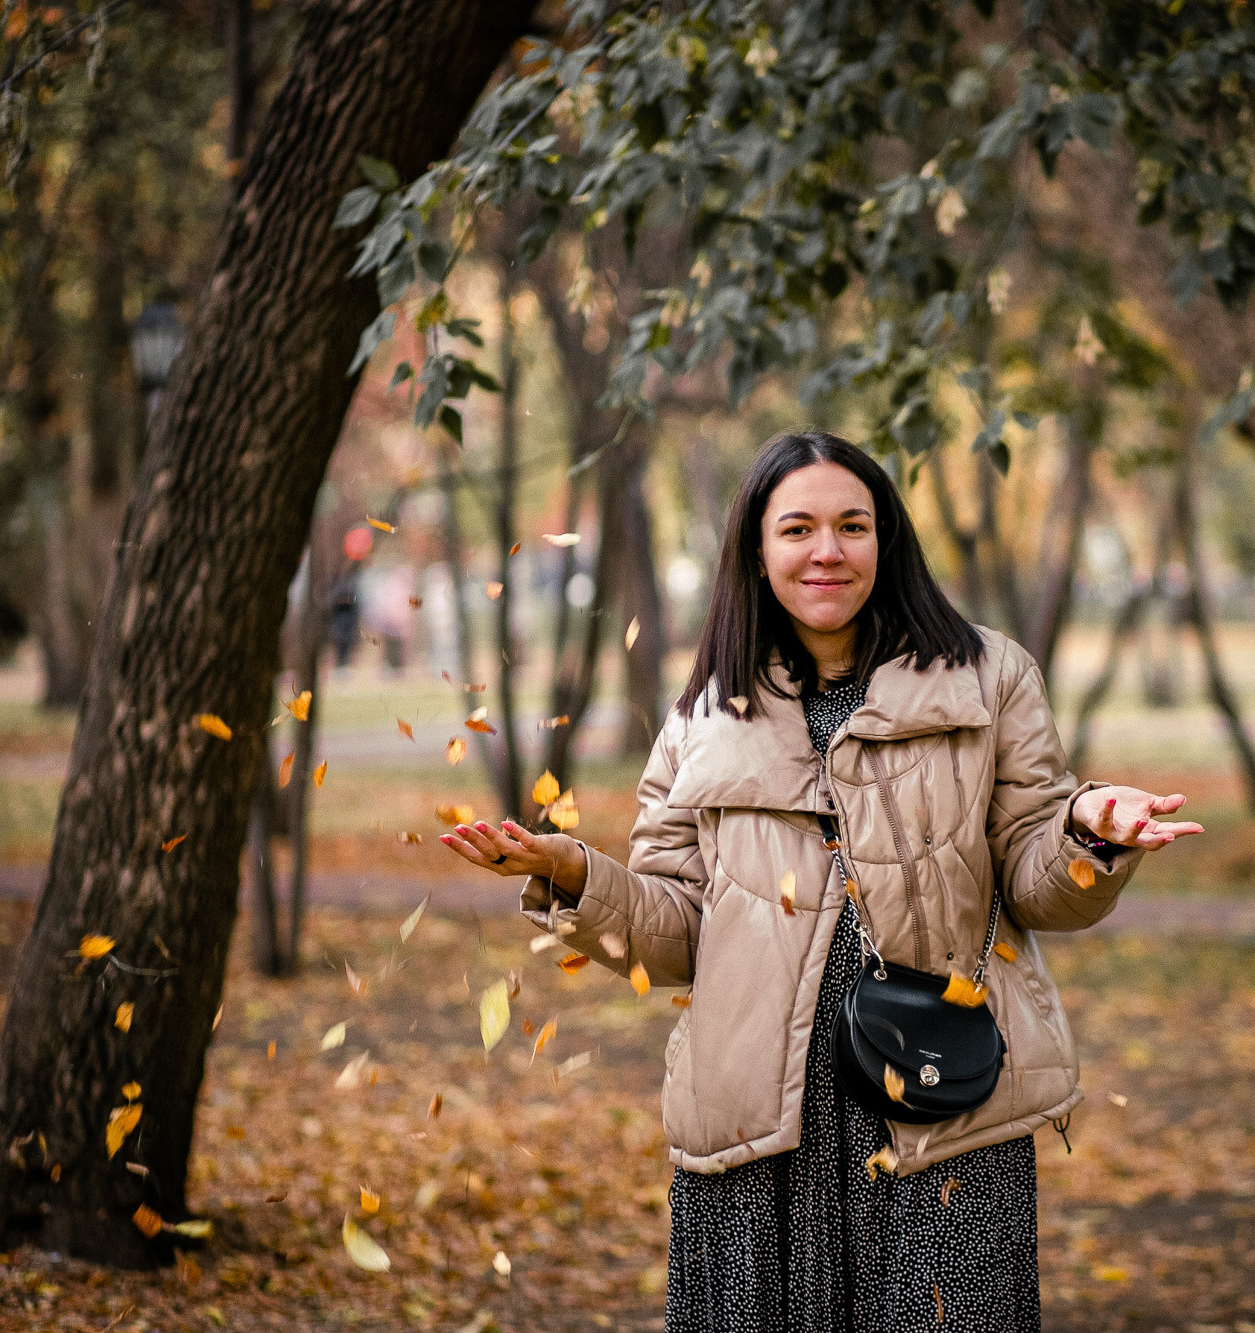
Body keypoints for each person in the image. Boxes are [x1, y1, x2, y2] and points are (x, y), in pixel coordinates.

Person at [439, 430, 1202, 1331]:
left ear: (887, 540)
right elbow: (676, 938)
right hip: (761, 1131)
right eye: (797, 528)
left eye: (852, 525)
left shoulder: (988, 679)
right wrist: (572, 872)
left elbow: (1038, 885)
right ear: (758, 553)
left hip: (941, 1109)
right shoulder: (701, 718)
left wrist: (1085, 830)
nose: (827, 550)